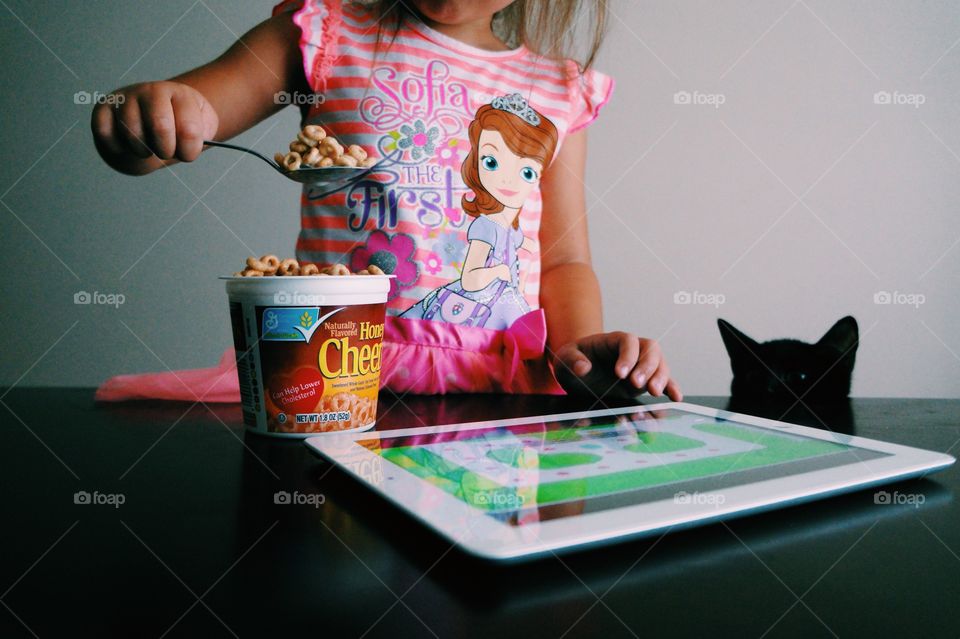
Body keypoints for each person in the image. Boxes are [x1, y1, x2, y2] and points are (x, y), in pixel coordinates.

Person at [92, 0, 682, 401]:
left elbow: (562, 260)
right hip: (335, 375)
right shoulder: (327, 35)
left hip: (499, 392)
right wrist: (145, 119)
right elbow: (175, 124)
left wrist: (579, 355)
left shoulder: (555, 91)